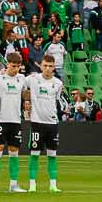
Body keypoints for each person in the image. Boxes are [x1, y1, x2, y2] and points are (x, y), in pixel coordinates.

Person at [0, 51, 30, 193]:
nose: (15, 69)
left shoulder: (22, 78)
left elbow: (25, 95)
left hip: (16, 120)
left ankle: (13, 184)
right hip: (0, 119)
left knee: (14, 152)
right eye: (13, 66)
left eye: (18, 66)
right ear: (7, 64)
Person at [27, 53, 66, 193]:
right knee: (35, 154)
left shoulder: (58, 83)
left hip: (52, 123)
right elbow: (18, 83)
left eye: (50, 66)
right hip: (37, 122)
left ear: (54, 67)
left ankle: (53, 185)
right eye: (45, 66)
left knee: (52, 155)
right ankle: (32, 185)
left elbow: (57, 101)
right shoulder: (32, 79)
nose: (48, 68)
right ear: (41, 66)